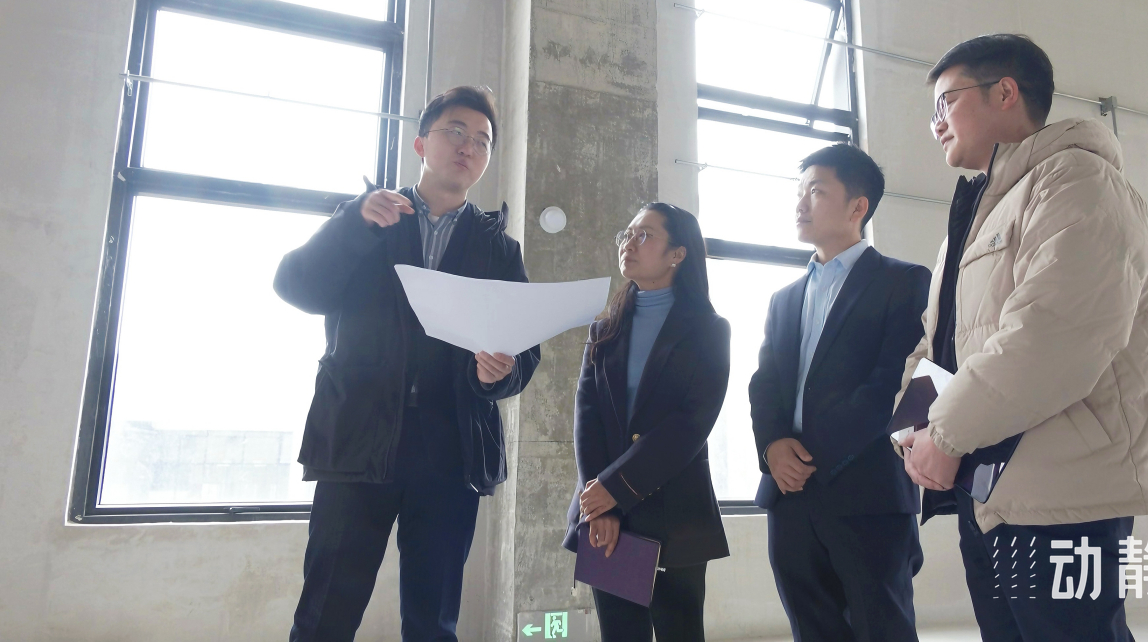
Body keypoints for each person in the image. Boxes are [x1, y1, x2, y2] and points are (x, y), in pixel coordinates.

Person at [897, 34, 1148, 641]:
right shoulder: (974, 219)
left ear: (1005, 92)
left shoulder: (1079, 180)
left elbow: (1055, 333)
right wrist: (912, 432)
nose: (935, 122)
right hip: (988, 491)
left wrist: (946, 433)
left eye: (946, 101)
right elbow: (938, 345)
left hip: (1063, 493)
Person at [274, 86, 541, 642]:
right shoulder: (371, 218)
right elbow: (297, 287)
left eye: (483, 141)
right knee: (325, 613)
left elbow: (523, 350)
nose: (469, 146)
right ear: (421, 143)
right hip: (359, 437)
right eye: (456, 132)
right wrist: (352, 224)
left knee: (433, 622)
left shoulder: (498, 248)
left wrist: (499, 373)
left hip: (450, 450)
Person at [749, 143, 931, 642]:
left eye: (816, 191)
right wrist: (773, 447)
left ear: (858, 207)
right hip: (789, 497)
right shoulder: (784, 299)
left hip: (867, 491)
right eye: (798, 192)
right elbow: (765, 383)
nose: (800, 204)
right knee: (812, 629)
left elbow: (894, 385)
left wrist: (807, 454)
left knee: (881, 628)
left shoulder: (904, 281)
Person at [562, 203, 731, 642]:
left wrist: (614, 489)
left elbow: (690, 424)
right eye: (627, 234)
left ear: (678, 254)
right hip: (605, 514)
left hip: (676, 513)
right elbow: (587, 419)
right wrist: (600, 501)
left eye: (645, 235)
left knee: (680, 632)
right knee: (620, 634)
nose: (629, 243)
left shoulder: (709, 330)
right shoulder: (605, 329)